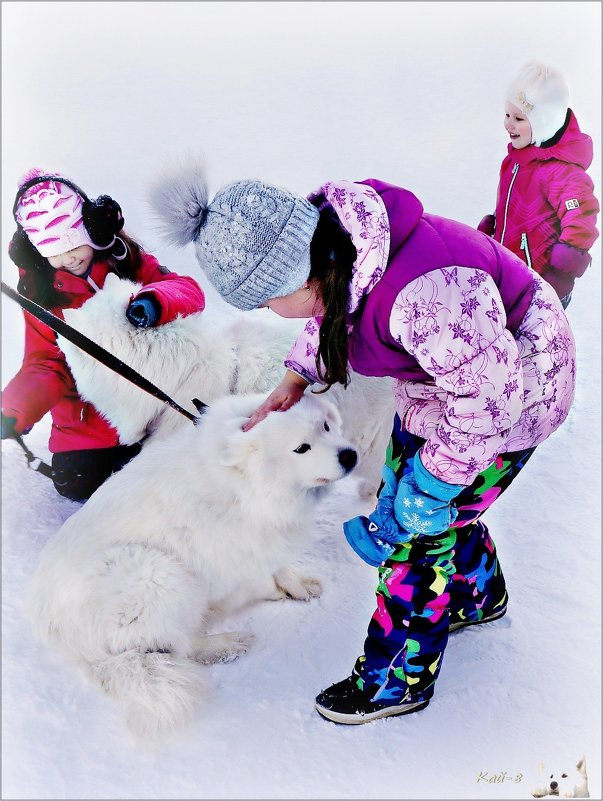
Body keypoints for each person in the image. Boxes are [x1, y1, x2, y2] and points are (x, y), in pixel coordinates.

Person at [159, 173, 576, 724]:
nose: (268, 312)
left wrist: (435, 483)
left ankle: (396, 679)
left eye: (267, 299)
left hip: (520, 391)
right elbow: (335, 314)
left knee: (417, 529)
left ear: (301, 276)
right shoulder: (342, 251)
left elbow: (487, 400)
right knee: (421, 503)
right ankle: (476, 595)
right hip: (446, 386)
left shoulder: (429, 296)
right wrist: (295, 378)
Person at [1, 168, 206, 502]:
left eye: (73, 241)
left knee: (166, 473)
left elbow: (188, 290)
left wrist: (155, 301)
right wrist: (15, 409)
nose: (68, 256)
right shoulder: (40, 297)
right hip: (88, 423)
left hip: (151, 406)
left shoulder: (123, 260)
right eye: (54, 249)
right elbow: (45, 364)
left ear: (92, 227)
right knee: (75, 484)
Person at [478, 60, 599, 309]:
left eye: (519, 118)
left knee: (539, 344)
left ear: (543, 121)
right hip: (511, 276)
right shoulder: (514, 161)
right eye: (507, 114)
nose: (508, 124)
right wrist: (493, 229)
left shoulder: (562, 173)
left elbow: (581, 219)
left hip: (543, 286)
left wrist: (560, 275)